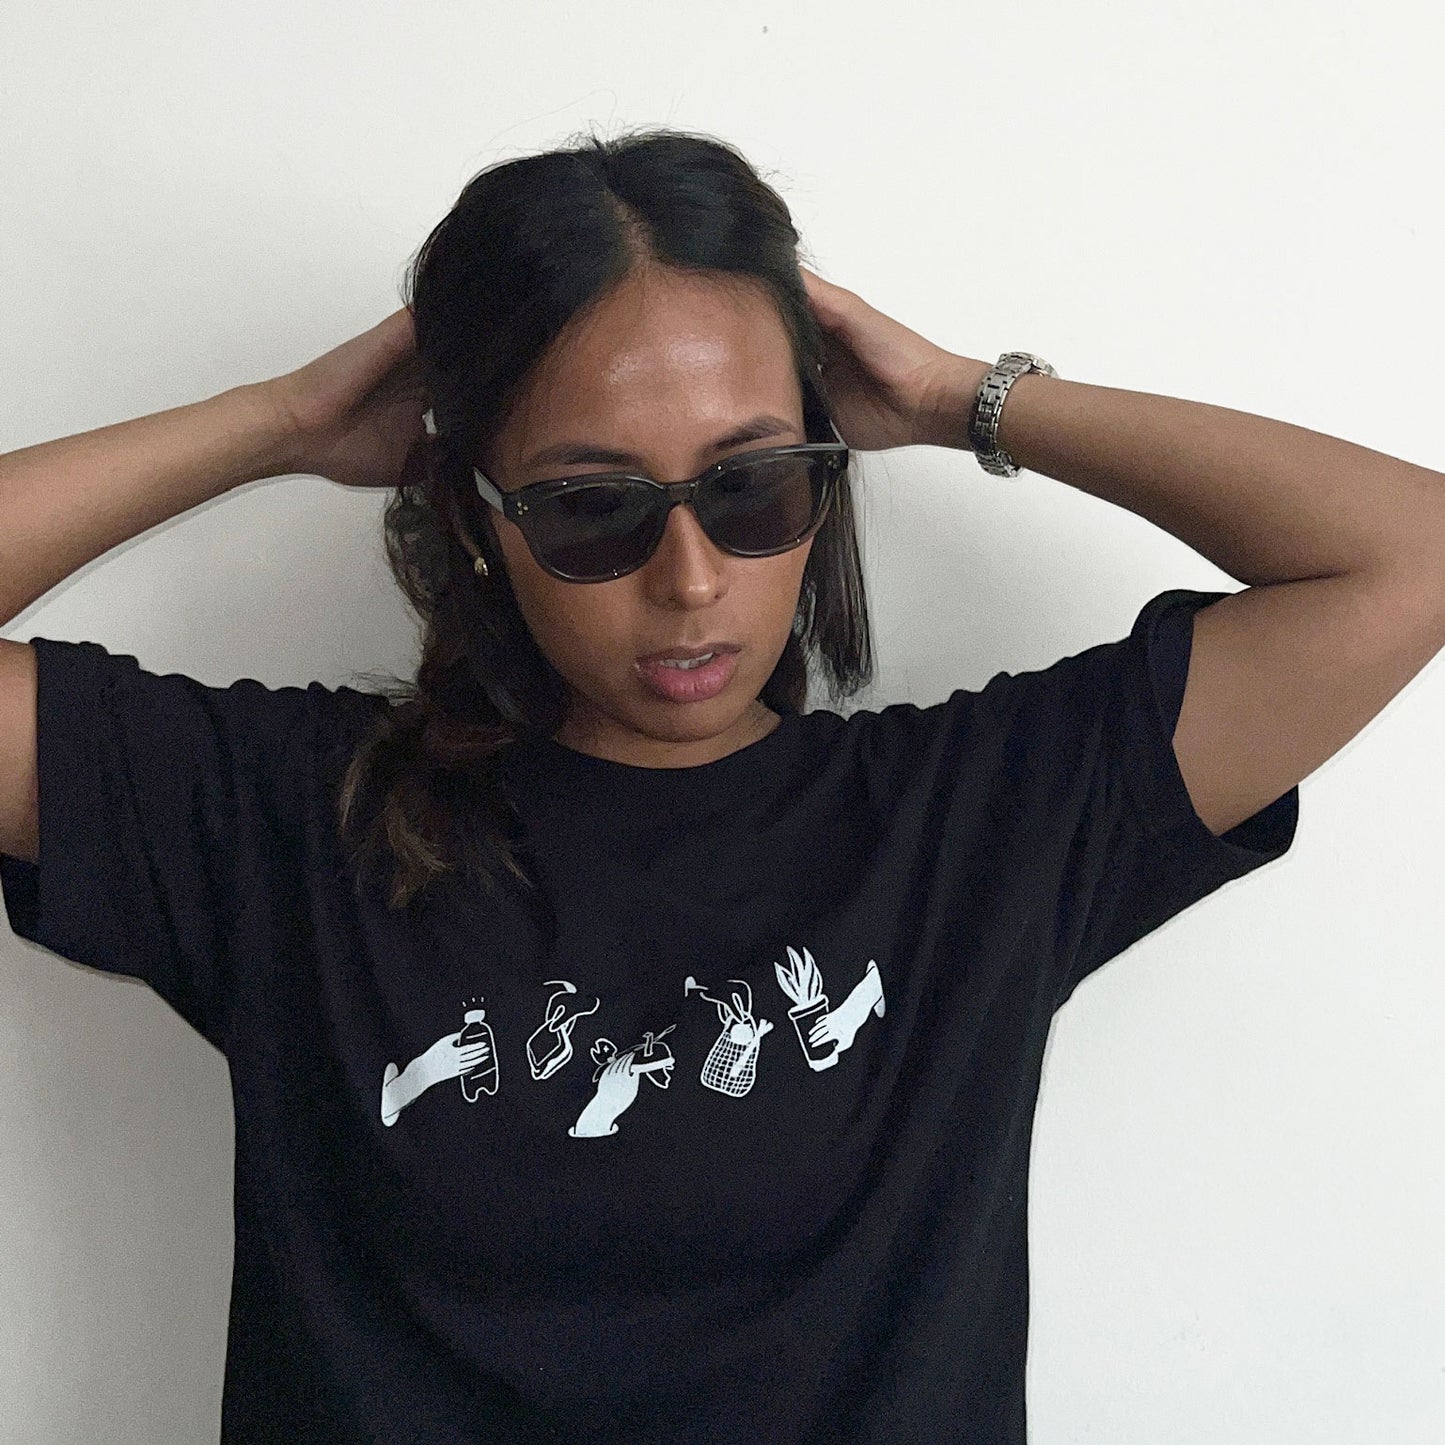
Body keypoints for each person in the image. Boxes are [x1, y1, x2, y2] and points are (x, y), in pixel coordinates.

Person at [0, 125, 1439, 1444]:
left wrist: (961, 398)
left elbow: (1409, 556)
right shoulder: (288, 820)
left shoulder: (982, 821)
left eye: (753, 486)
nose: (689, 581)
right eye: (590, 508)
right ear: (481, 520)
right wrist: (281, 422)